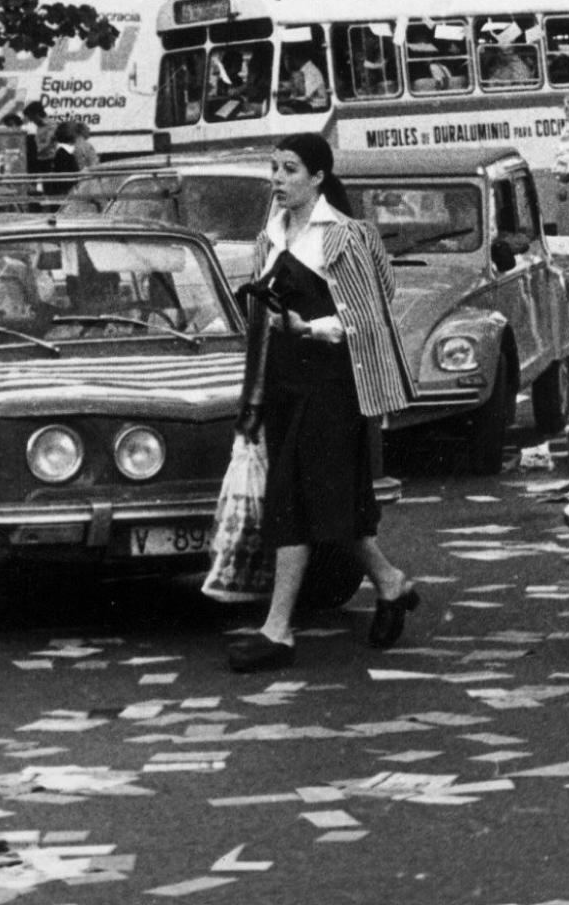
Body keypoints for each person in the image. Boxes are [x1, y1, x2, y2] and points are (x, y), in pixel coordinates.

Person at [226, 133, 417, 672]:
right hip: (286, 384)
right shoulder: (269, 237)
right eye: (274, 168)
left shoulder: (345, 237)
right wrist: (255, 398)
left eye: (289, 169)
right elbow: (262, 329)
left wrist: (308, 326)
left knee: (292, 496)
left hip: (334, 386)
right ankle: (390, 581)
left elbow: (371, 314)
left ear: (317, 177)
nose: (278, 179)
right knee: (328, 500)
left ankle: (278, 629)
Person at [280, 47, 329, 112]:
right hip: (309, 106)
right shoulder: (304, 71)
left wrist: (287, 100)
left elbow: (306, 97)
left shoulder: (311, 71)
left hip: (315, 109)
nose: (286, 63)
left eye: (287, 59)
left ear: (296, 57)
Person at [42, 121, 82, 197]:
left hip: (62, 193)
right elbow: (64, 177)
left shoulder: (62, 152)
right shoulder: (63, 154)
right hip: (64, 195)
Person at [23, 102, 55, 173]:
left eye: (32, 118)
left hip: (49, 161)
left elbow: (47, 143)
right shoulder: (39, 127)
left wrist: (32, 151)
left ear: (37, 115)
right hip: (41, 161)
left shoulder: (51, 126)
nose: (31, 120)